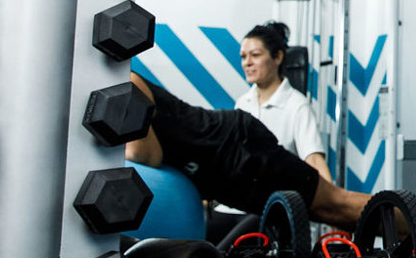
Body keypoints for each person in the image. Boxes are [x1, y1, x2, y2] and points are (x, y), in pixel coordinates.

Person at [124, 73, 369, 228]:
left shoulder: (125, 82)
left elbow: (144, 154)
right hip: (220, 175)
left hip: (235, 148)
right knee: (327, 213)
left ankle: (406, 225)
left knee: (335, 205)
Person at [200, 23, 330, 240]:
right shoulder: (243, 103)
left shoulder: (296, 106)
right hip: (231, 207)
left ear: (278, 57)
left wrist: (334, 208)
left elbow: (314, 160)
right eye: (243, 57)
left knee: (225, 253)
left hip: (267, 209)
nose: (247, 63)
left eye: (255, 55)